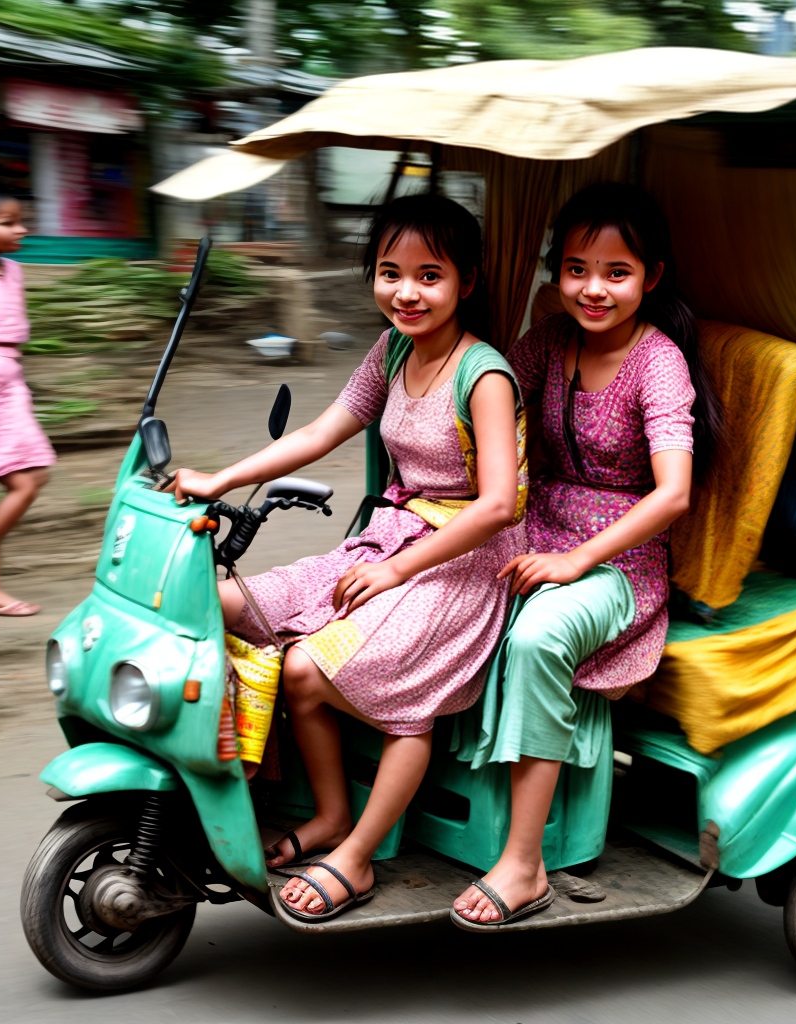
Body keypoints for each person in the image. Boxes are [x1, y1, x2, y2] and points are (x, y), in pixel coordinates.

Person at [166, 194, 527, 922]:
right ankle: (326, 815)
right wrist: (220, 477)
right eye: (390, 273)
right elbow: (326, 428)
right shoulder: (392, 349)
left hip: (465, 561)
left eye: (429, 276)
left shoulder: (481, 374)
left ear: (468, 282)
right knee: (224, 605)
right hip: (390, 538)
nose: (406, 292)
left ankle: (357, 856)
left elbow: (498, 504)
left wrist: (397, 571)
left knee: (320, 669)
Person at [451, 183, 723, 928]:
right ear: (555, 272)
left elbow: (672, 496)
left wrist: (577, 564)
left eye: (616, 272)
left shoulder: (657, 362)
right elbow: (486, 408)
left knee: (540, 633)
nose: (593, 289)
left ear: (651, 278)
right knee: (431, 595)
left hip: (621, 563)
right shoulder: (546, 343)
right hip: (534, 528)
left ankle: (524, 862)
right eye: (576, 269)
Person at [0, 185, 54, 616]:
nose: (20, 229)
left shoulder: (15, 270)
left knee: (26, 474)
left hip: (10, 381)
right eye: (7, 223)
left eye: (22, 221)